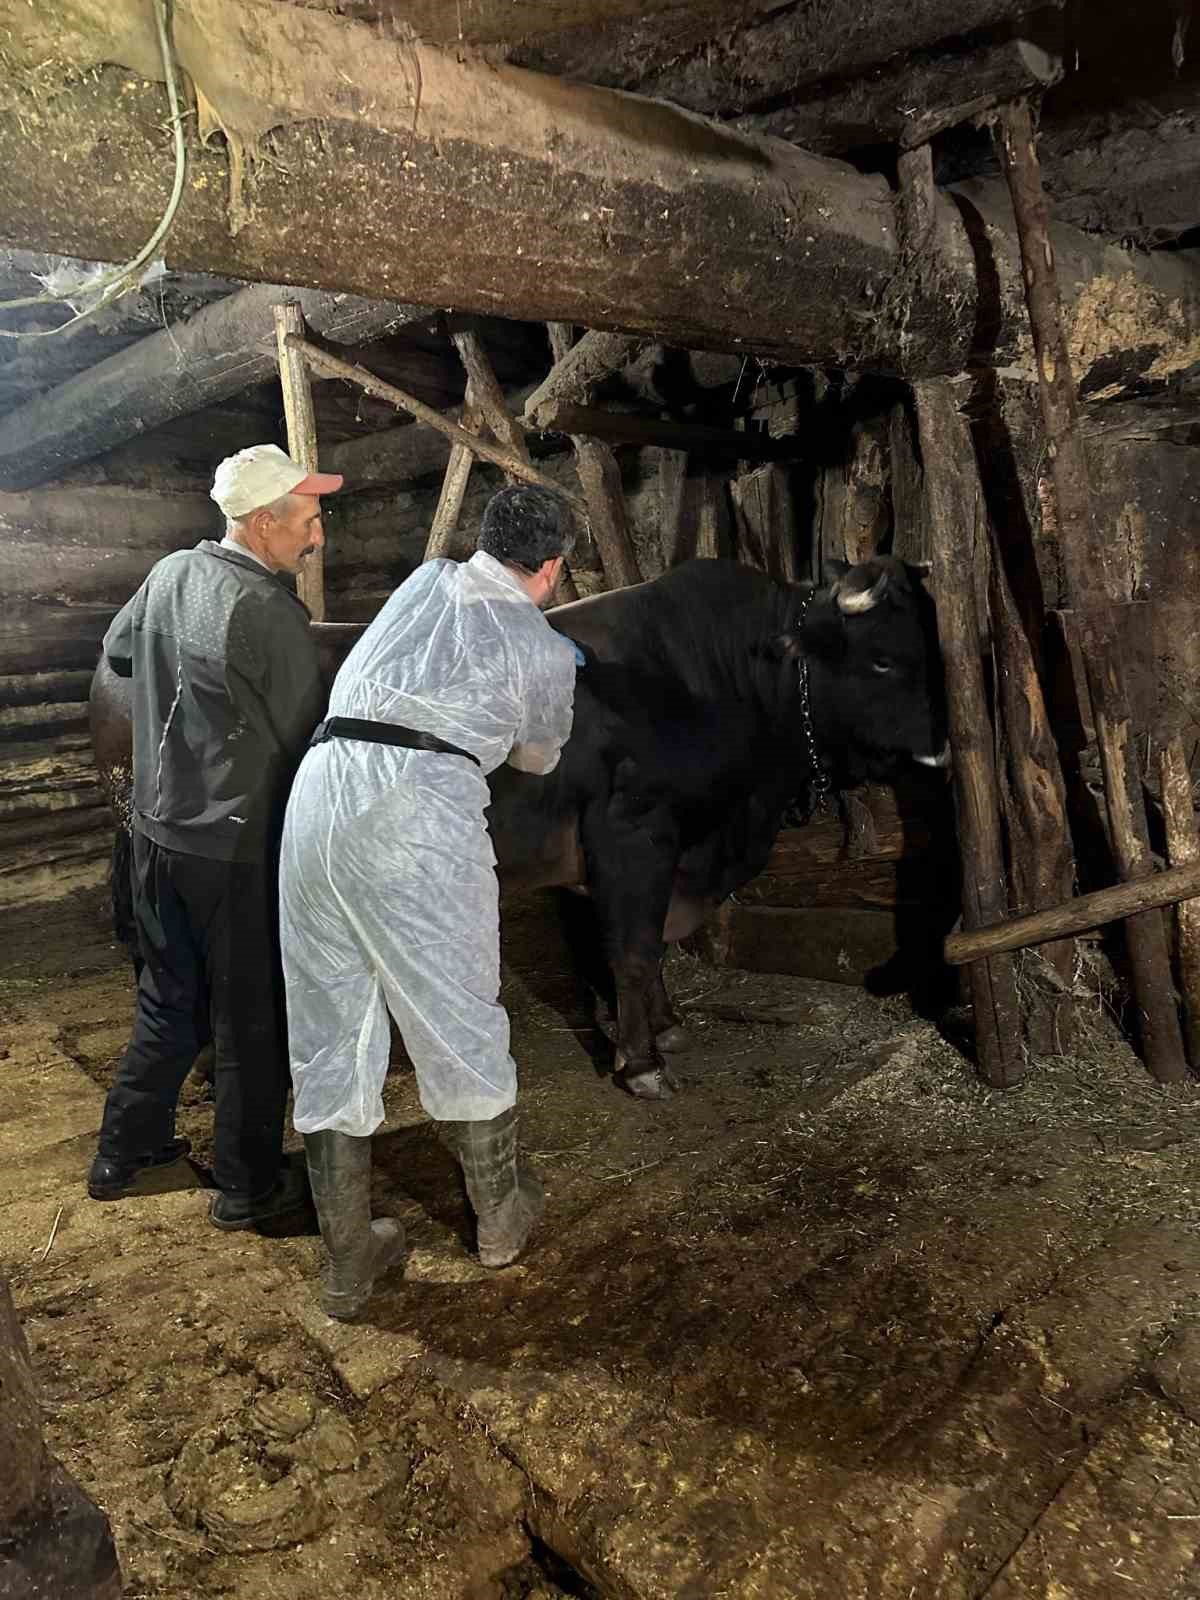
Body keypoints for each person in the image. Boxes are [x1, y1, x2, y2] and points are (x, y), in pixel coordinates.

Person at [279, 483, 579, 1321]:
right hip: (415, 816)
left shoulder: (422, 582)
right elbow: (538, 760)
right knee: (457, 1016)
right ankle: (499, 1221)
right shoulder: (540, 643)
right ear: (552, 567)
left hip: (318, 798)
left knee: (330, 1023)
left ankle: (348, 1262)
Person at [87, 443, 343, 1232]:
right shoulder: (268, 612)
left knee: (168, 1006)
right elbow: (309, 741)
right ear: (264, 524)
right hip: (233, 851)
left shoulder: (170, 573)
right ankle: (248, 1187)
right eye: (309, 520)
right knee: (250, 1022)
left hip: (156, 836)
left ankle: (124, 1158)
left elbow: (123, 652)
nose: (318, 537)